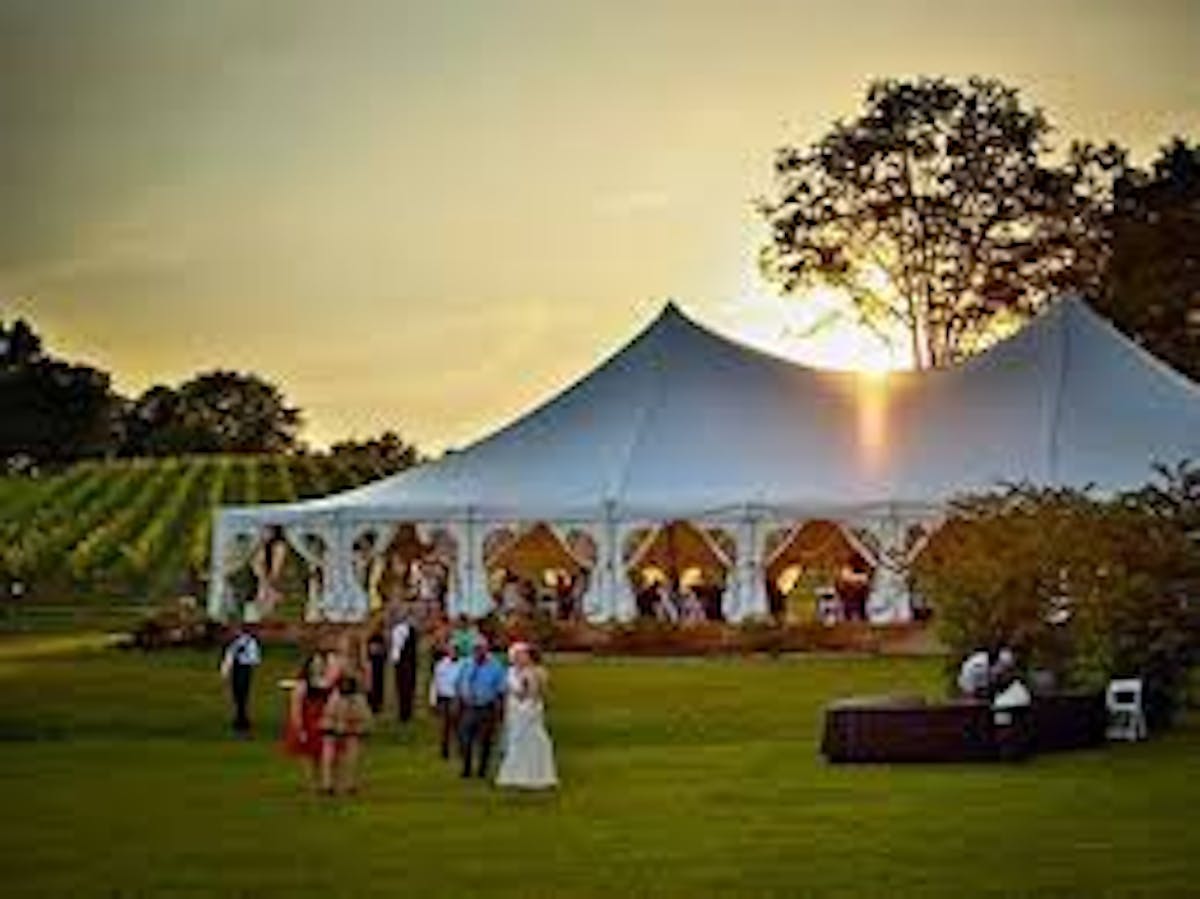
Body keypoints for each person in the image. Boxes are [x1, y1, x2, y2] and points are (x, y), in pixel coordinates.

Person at [496, 643, 558, 790]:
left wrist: (515, 691)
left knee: (528, 738)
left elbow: (529, 693)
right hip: (522, 709)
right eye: (517, 656)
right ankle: (523, 774)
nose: (520, 658)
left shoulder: (534, 672)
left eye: (522, 655)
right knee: (522, 739)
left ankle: (532, 775)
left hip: (528, 708)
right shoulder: (520, 672)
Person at [456, 637, 506, 779]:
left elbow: (500, 689)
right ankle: (466, 767)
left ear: (486, 649)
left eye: (480, 649)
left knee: (485, 740)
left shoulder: (496, 666)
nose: (478, 652)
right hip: (468, 706)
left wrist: (500, 709)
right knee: (464, 739)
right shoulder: (466, 664)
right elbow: (459, 682)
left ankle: (482, 769)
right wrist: (460, 699)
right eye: (475, 649)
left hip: (486, 707)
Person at [283, 648, 334, 787]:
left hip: (323, 719)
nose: (318, 667)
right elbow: (296, 707)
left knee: (325, 752)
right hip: (307, 721)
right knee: (308, 754)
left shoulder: (327, 682)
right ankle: (311, 782)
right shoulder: (302, 684)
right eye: (315, 664)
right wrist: (299, 728)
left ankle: (325, 782)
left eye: (321, 664)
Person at [318, 670, 372, 795]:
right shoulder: (351, 699)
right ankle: (339, 783)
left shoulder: (341, 698)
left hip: (346, 716)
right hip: (343, 716)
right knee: (344, 748)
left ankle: (334, 783)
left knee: (344, 748)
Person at [219, 625, 261, 735]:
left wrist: (244, 656)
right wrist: (225, 672)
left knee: (242, 694)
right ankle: (240, 717)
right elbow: (229, 658)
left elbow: (254, 658)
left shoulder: (250, 642)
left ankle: (242, 720)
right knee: (236, 694)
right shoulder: (234, 643)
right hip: (236, 669)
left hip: (245, 668)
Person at [429, 642, 463, 758]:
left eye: (455, 651)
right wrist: (433, 700)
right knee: (444, 725)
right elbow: (435, 683)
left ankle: (459, 748)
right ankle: (445, 749)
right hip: (443, 697)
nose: (453, 653)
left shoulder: (463, 665)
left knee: (456, 722)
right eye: (451, 651)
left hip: (456, 697)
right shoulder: (441, 665)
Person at [390, 614, 419, 723]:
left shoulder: (399, 630)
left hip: (404, 662)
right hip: (409, 662)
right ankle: (406, 712)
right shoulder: (407, 630)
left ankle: (405, 713)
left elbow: (396, 648)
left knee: (404, 687)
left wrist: (395, 660)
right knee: (407, 687)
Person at [365, 628, 388, 715]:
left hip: (379, 662)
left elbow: (384, 650)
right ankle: (373, 704)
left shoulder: (380, 638)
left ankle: (378, 703)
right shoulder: (371, 637)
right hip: (372, 662)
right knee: (372, 683)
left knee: (378, 683)